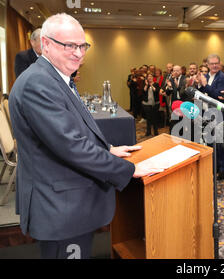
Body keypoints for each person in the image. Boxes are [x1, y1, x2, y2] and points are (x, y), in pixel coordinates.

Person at [8, 13, 153, 259]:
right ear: (46, 44)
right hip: (61, 208)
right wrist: (127, 170)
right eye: (69, 46)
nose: (78, 53)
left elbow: (73, 129)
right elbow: (71, 146)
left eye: (82, 46)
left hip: (66, 204)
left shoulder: (56, 78)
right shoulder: (39, 83)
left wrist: (107, 149)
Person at [199, 54, 224, 180]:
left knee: (220, 143)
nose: (214, 65)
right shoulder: (206, 76)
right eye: (212, 63)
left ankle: (223, 169)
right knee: (210, 142)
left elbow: (218, 95)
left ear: (220, 63)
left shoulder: (222, 77)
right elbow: (202, 92)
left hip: (218, 114)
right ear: (208, 64)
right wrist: (200, 85)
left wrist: (205, 85)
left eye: (216, 63)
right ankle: (214, 166)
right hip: (206, 113)